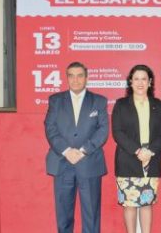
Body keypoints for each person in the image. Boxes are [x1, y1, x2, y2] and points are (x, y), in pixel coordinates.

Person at [44, 62, 109, 233]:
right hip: (62, 163)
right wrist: (66, 151)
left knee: (91, 214)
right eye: (71, 75)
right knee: (63, 214)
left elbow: (103, 130)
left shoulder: (99, 101)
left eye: (80, 75)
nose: (76, 79)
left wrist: (81, 151)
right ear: (67, 78)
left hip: (89, 162)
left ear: (86, 78)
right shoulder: (56, 100)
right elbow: (50, 128)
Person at [112, 64, 161, 233]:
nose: (140, 82)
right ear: (130, 82)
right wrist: (137, 151)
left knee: (146, 204)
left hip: (151, 159)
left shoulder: (158, 104)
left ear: (150, 82)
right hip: (128, 158)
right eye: (136, 78)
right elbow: (117, 131)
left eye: (144, 79)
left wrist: (150, 151)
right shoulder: (121, 104)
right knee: (129, 205)